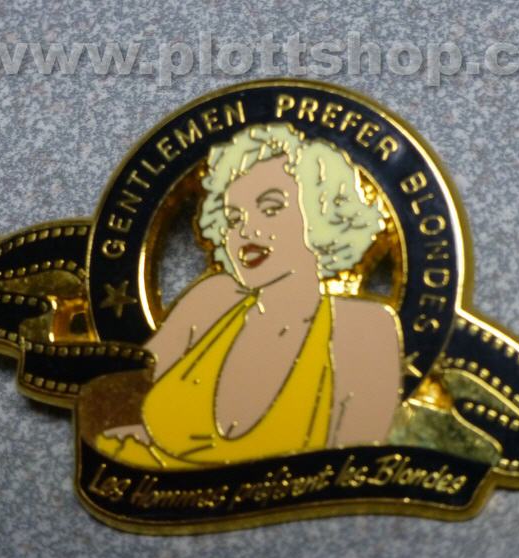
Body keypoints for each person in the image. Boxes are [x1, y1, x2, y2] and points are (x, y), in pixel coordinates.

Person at [95, 123, 404, 469]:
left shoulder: (365, 329)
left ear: (324, 214)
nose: (245, 230)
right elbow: (126, 395)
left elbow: (351, 471)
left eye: (270, 208)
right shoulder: (211, 300)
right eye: (232, 218)